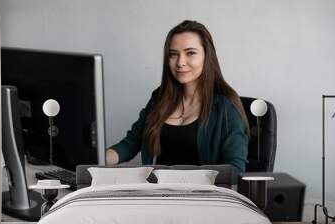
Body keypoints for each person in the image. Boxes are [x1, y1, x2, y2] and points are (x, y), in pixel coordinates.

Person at [106, 20, 249, 173]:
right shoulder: (159, 97)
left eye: (190, 53)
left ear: (207, 56)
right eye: (173, 54)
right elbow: (131, 143)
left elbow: (235, 169)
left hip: (201, 194)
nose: (180, 62)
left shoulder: (227, 106)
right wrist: (96, 159)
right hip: (157, 192)